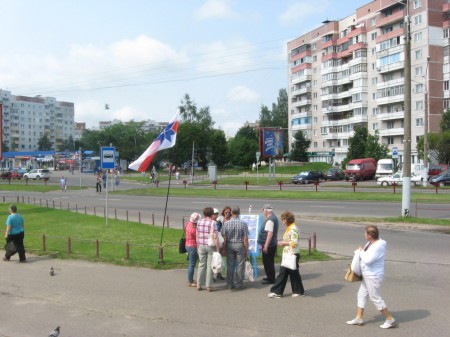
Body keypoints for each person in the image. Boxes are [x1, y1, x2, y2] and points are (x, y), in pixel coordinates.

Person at [346, 225, 396, 329]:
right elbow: (365, 253)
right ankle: (359, 318)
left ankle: (390, 319)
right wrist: (362, 251)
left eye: (365, 233)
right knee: (361, 295)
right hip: (367, 275)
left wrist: (360, 252)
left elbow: (368, 260)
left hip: (373, 276)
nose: (364, 235)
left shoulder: (378, 246)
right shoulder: (370, 243)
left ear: (370, 235)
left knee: (375, 297)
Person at [267, 211, 305, 298]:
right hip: (289, 253)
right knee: (293, 273)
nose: (282, 222)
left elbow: (294, 242)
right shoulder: (290, 227)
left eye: (283, 220)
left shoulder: (293, 228)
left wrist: (283, 243)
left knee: (283, 273)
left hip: (292, 253)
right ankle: (298, 291)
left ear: (287, 220)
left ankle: (277, 292)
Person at [221, 205, 249, 290]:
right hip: (240, 245)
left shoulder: (226, 223)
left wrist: (224, 248)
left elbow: (224, 237)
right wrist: (247, 249)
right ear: (239, 212)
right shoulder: (243, 223)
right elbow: (245, 238)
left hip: (230, 244)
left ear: (231, 213)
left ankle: (230, 284)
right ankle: (239, 284)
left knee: (230, 265)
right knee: (240, 265)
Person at [196, 207, 220, 292]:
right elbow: (215, 236)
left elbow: (197, 234)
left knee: (201, 264)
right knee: (210, 266)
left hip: (201, 245)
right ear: (211, 213)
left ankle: (199, 284)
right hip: (210, 245)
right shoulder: (213, 223)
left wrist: (198, 245)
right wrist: (217, 249)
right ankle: (208, 286)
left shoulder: (199, 222)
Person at [258, 204, 279, 284]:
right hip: (271, 244)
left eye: (263, 211)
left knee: (268, 262)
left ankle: (271, 279)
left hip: (269, 245)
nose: (263, 212)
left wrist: (265, 246)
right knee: (268, 261)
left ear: (266, 211)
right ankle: (270, 277)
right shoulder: (273, 218)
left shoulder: (270, 220)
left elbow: (269, 234)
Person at [185, 212, 201, 287]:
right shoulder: (194, 229)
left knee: (191, 263)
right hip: (193, 247)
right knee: (192, 264)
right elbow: (197, 239)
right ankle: (190, 281)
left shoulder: (188, 224)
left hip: (187, 245)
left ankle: (190, 279)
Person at [212, 208, 225, 281]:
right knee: (211, 260)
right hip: (211, 243)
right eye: (214, 214)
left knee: (218, 259)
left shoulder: (218, 222)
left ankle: (218, 274)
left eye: (216, 214)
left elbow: (220, 232)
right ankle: (211, 276)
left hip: (218, 243)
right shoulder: (210, 222)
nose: (215, 216)